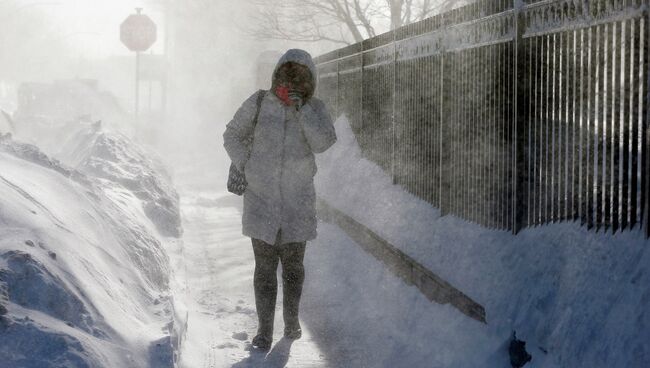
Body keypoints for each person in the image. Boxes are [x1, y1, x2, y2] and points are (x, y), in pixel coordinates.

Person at [222, 49, 337, 350]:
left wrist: (304, 112)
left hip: (298, 202)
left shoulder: (316, 109)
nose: (292, 83)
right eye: (287, 76)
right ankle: (263, 330)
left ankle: (291, 321)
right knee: (264, 267)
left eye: (300, 78)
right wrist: (247, 163)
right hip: (261, 199)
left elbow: (324, 143)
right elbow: (232, 134)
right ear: (277, 76)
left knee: (294, 267)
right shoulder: (259, 102)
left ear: (310, 82)